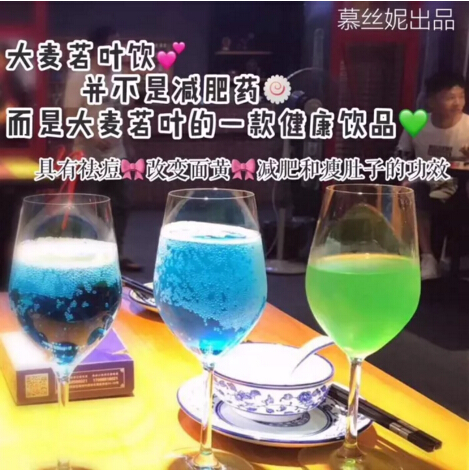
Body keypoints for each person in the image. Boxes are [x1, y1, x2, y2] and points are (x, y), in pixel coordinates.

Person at [63, 26, 142, 272]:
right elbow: (70, 115)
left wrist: (128, 144)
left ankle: (115, 256)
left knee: (121, 206)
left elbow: (122, 112)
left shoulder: (117, 76)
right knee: (90, 209)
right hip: (88, 157)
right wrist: (93, 137)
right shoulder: (80, 75)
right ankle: (89, 259)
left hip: (116, 155)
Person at [397, 71, 469, 280]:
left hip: (462, 184)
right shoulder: (417, 124)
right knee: (412, 191)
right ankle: (428, 258)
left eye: (461, 96)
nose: (458, 103)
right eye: (450, 98)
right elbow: (402, 156)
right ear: (431, 102)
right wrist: (405, 178)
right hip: (427, 182)